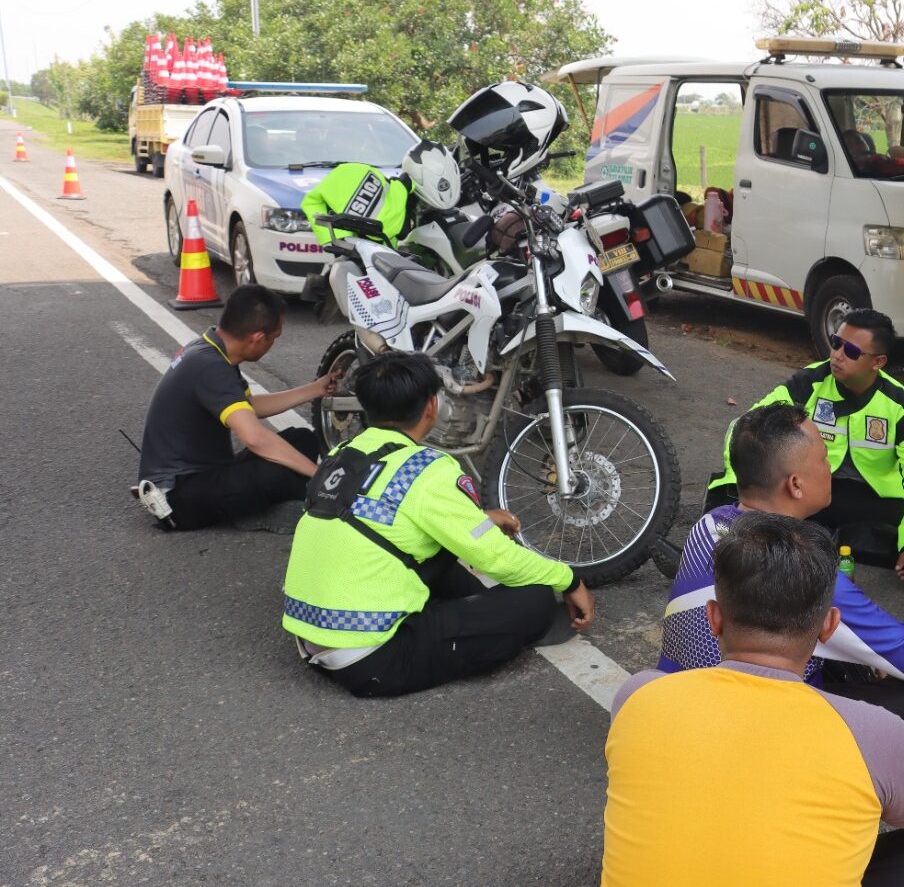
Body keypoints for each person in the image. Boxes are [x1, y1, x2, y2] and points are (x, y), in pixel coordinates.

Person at [606, 512, 904, 887]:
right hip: (888, 760)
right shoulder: (872, 733)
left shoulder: (637, 695)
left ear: (714, 617)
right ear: (829, 626)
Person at [667, 403, 904, 774]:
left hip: (683, 709)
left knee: (861, 663)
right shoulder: (800, 565)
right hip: (752, 740)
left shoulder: (709, 525)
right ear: (795, 484)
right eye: (823, 459)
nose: (831, 468)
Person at [280, 351, 594, 697]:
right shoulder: (426, 468)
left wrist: (479, 518)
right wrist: (569, 579)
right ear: (432, 406)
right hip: (372, 659)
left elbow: (381, 513)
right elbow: (495, 557)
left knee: (433, 545)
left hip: (311, 634)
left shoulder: (344, 453)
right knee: (533, 600)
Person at [706, 309, 904, 583]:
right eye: (836, 343)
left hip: (867, 498)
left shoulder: (902, 406)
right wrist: (748, 480)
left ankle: (807, 539)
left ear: (878, 362)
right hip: (809, 489)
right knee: (725, 497)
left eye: (851, 351)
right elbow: (748, 427)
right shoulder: (809, 382)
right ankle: (812, 539)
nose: (837, 354)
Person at [132, 286, 331, 530]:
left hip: (206, 472)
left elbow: (249, 407)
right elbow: (255, 438)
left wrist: (314, 389)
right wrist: (322, 476)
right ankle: (326, 501)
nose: (273, 344)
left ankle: (293, 494)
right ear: (258, 338)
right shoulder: (211, 367)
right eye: (274, 337)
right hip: (177, 497)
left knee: (301, 440)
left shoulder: (210, 348)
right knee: (274, 474)